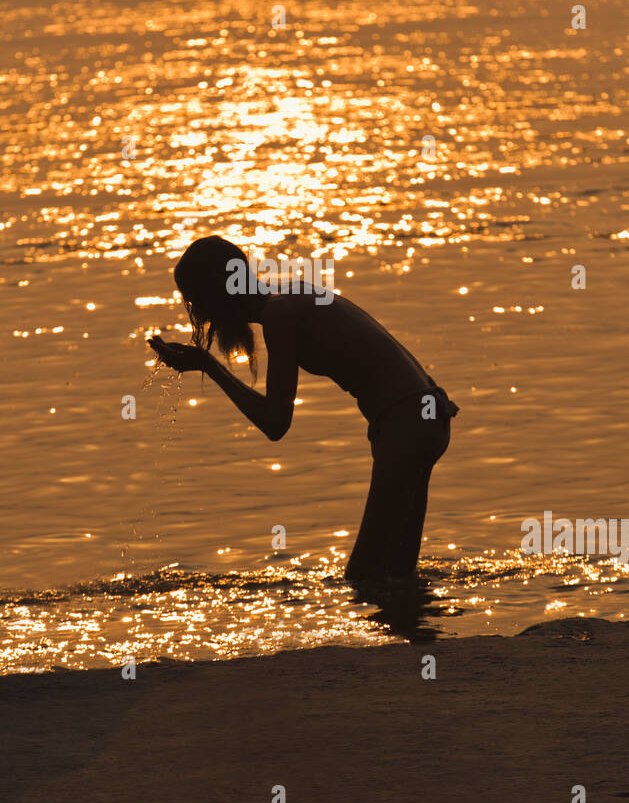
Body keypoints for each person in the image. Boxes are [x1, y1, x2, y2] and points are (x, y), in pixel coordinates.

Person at [149, 235, 458, 584]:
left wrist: (210, 366)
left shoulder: (279, 315)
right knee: (399, 573)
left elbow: (276, 423)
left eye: (196, 303)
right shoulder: (290, 298)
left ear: (218, 294)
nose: (200, 318)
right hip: (429, 415)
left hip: (407, 424)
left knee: (364, 576)